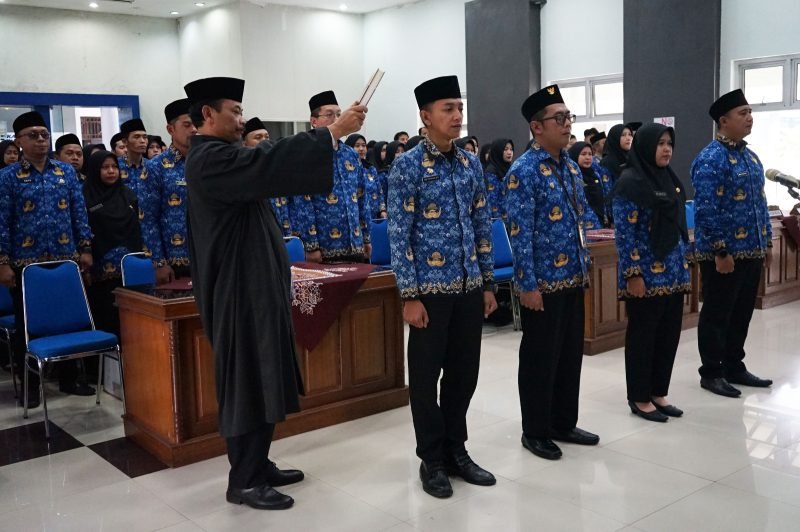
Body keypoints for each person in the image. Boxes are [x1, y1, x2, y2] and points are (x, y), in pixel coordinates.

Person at [183, 75, 366, 510]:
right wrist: (332, 134)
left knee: (264, 374)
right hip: (236, 292)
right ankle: (243, 480)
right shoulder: (208, 158)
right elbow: (268, 162)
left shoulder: (228, 155)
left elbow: (265, 166)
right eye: (236, 111)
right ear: (208, 114)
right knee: (248, 378)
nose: (241, 119)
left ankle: (258, 463)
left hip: (257, 287)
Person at [388, 75, 498, 499]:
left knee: (463, 376)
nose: (457, 116)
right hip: (429, 294)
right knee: (424, 379)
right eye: (447, 109)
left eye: (459, 107)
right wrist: (409, 295)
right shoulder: (408, 166)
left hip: (469, 288)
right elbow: (400, 234)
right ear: (425, 116)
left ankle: (457, 450)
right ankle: (431, 459)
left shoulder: (470, 164)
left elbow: (481, 226)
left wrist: (488, 283)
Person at [505, 85, 600, 461]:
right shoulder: (522, 171)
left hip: (573, 278)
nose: (566, 124)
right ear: (536, 126)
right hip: (541, 283)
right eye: (558, 119)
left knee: (568, 355)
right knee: (540, 359)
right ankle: (536, 430)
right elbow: (519, 232)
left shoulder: (572, 169)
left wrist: (584, 268)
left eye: (568, 117)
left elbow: (580, 222)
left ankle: (563, 421)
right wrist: (526, 284)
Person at [0, 111, 94, 404]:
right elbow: (1, 221)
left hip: (65, 261)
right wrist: (2, 262)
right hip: (25, 265)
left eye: (44, 134)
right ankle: (31, 387)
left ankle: (68, 379)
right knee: (28, 328)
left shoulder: (64, 172)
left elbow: (78, 213)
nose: (41, 140)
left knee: (67, 322)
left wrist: (86, 248)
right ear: (18, 141)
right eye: (33, 135)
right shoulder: (8, 177)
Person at [691, 89, 773, 397]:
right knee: (717, 313)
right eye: (743, 113)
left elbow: (760, 204)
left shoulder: (751, 157)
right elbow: (706, 209)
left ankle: (734, 366)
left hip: (751, 251)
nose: (750, 118)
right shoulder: (711, 159)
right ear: (723, 121)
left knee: (741, 313)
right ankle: (711, 371)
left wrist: (766, 242)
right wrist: (720, 250)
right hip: (723, 255)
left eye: (750, 112)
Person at [612, 123, 690, 422]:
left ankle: (659, 392)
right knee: (643, 337)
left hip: (672, 272)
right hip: (644, 273)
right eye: (659, 143)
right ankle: (640, 397)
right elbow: (625, 233)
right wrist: (633, 273)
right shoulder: (629, 182)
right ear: (645, 147)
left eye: (669, 143)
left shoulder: (669, 179)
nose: (666, 148)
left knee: (668, 335)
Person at [291, 90, 371, 262]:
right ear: (314, 121)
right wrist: (311, 247)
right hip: (325, 249)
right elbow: (303, 203)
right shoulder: (306, 154)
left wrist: (366, 237)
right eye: (329, 115)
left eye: (339, 114)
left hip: (355, 244)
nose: (337, 119)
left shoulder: (350, 154)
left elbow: (361, 197)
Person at [82, 150, 143, 338]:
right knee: (107, 324)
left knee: (134, 325)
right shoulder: (86, 195)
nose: (111, 171)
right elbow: (84, 227)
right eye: (105, 167)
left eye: (114, 167)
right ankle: (107, 367)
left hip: (131, 271)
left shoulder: (128, 194)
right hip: (101, 273)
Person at [146, 99, 198, 281]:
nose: (194, 130)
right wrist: (159, 263)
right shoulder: (156, 167)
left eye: (197, 124)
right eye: (187, 125)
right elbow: (148, 219)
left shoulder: (208, 162)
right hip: (175, 261)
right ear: (170, 129)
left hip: (210, 257)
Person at [568, 141, 611, 227]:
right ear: (575, 155)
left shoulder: (596, 174)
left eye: (590, 154)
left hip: (602, 224)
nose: (587, 157)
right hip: (583, 226)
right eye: (583, 154)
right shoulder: (571, 177)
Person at [345, 133, 384, 219]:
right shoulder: (345, 170)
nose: (361, 149)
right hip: (354, 216)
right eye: (357, 146)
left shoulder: (370, 168)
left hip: (372, 215)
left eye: (363, 145)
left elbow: (379, 191)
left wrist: (382, 210)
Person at [483, 138, 513, 221]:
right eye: (505, 149)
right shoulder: (491, 171)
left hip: (510, 219)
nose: (509, 152)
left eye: (511, 149)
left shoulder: (510, 169)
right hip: (499, 221)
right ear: (498, 151)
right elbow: (492, 201)